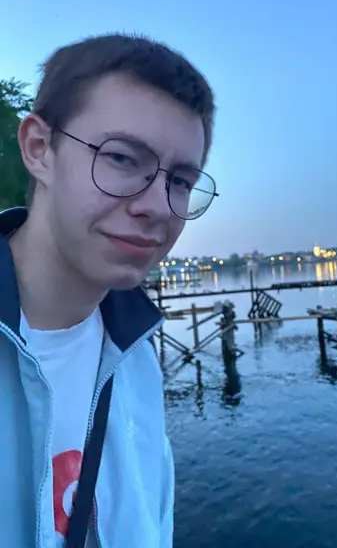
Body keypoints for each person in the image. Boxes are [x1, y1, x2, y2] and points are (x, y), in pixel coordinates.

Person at [0, 33, 217, 547]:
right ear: (39, 149)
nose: (158, 206)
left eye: (180, 181)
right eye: (121, 158)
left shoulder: (136, 354)